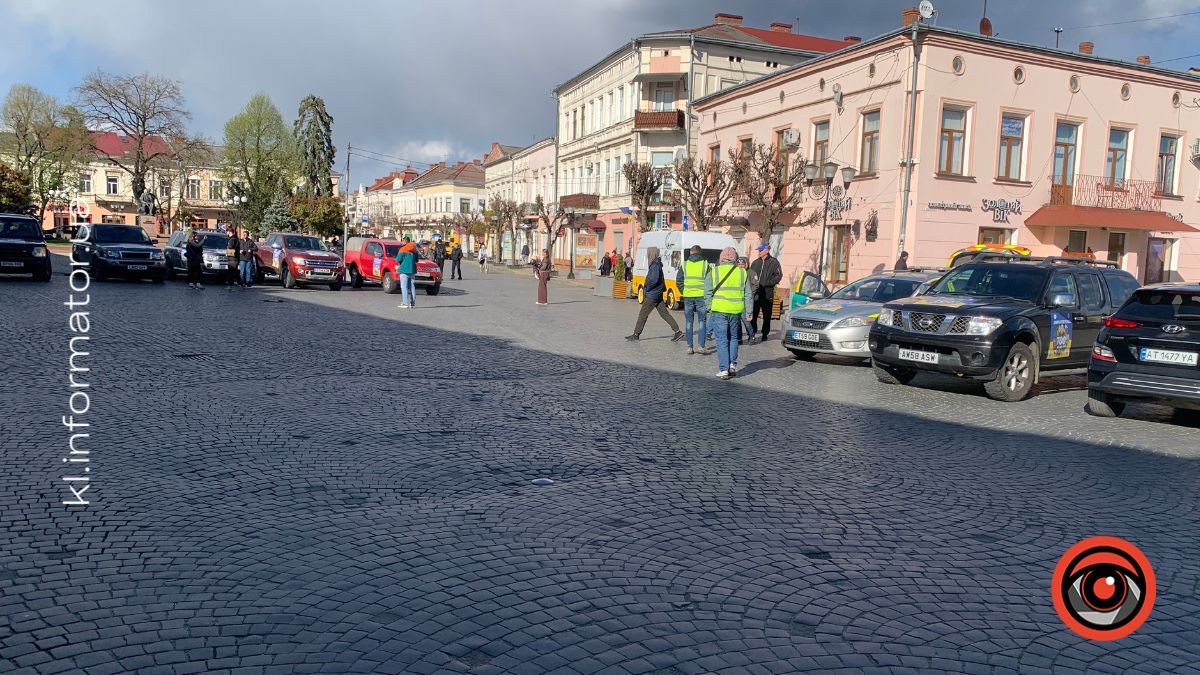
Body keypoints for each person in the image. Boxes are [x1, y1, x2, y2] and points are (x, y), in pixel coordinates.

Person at [704, 246, 753, 379]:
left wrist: (709, 306)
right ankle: (732, 365)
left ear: (721, 259)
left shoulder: (714, 272)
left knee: (721, 340)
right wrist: (749, 311)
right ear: (735, 259)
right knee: (734, 338)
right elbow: (748, 294)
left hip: (719, 310)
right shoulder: (742, 273)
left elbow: (707, 292)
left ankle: (723, 369)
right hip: (736, 311)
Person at [626, 247, 684, 341]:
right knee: (664, 314)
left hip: (652, 295)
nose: (647, 255)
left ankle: (636, 334)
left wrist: (647, 288)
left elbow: (654, 279)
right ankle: (678, 332)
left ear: (652, 254)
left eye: (648, 253)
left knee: (643, 314)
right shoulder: (657, 264)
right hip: (657, 294)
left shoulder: (655, 265)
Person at [676, 245, 710, 355]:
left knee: (689, 322)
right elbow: (710, 281)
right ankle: (701, 346)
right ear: (700, 253)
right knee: (702, 321)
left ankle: (690, 347)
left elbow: (679, 280)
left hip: (688, 296)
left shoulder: (685, 264)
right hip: (701, 296)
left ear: (691, 253)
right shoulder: (705, 265)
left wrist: (684, 291)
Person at [749, 243, 783, 342]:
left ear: (766, 251)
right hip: (756, 293)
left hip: (767, 293)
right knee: (754, 314)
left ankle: (765, 333)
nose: (758, 252)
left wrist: (768, 283)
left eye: (760, 250)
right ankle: (753, 332)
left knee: (767, 314)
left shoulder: (774, 262)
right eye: (758, 250)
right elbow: (750, 275)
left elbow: (778, 276)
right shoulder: (755, 262)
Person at [396, 237, 418, 308]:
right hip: (412, 270)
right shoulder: (414, 250)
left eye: (402, 241)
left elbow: (398, 259)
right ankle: (412, 303)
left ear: (405, 241)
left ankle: (405, 303)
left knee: (404, 287)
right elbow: (417, 260)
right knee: (412, 287)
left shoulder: (402, 249)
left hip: (404, 270)